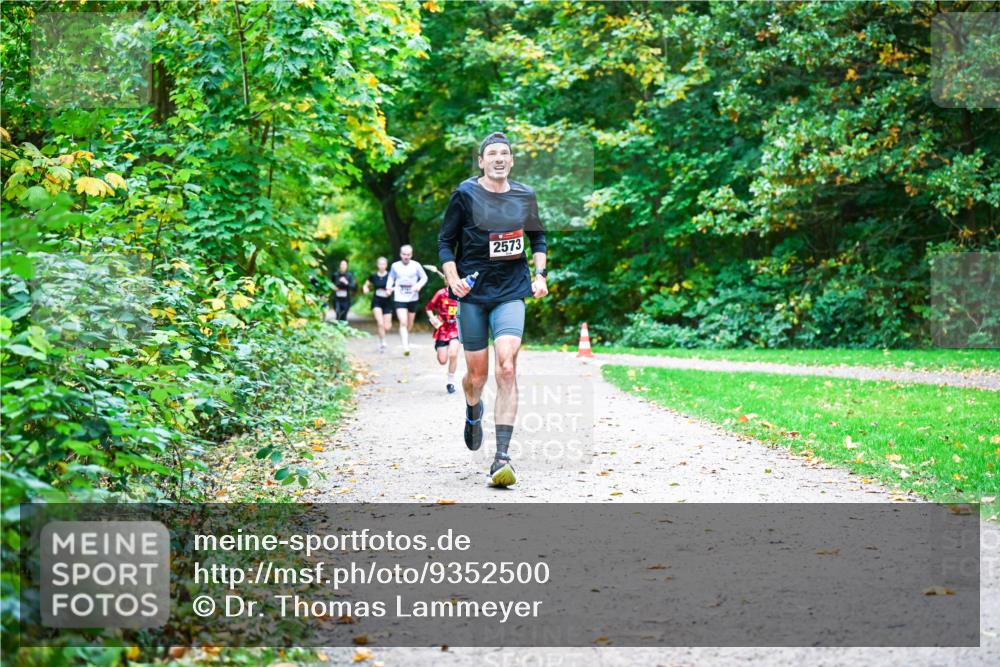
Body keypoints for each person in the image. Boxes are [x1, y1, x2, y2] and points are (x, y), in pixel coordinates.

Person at [438, 131, 548, 487]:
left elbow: (538, 238)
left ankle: (502, 456)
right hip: (473, 294)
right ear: (482, 161)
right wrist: (452, 277)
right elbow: (445, 243)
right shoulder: (465, 194)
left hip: (511, 291)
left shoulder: (524, 195)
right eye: (492, 154)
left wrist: (541, 274)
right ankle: (473, 410)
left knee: (506, 366)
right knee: (476, 377)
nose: (499, 158)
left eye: (505, 153)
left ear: (511, 161)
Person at [385, 244, 428, 356]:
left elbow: (424, 277)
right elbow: (391, 278)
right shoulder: (395, 266)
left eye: (408, 254)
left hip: (413, 297)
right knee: (403, 322)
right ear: (400, 254)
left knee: (409, 324)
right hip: (399, 297)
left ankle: (406, 338)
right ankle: (405, 346)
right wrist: (388, 287)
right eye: (404, 254)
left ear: (411, 254)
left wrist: (419, 285)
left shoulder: (416, 265)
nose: (406, 256)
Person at [425, 286, 461, 393]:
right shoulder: (441, 293)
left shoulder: (462, 294)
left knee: (453, 354)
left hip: (456, 328)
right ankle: (439, 347)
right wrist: (433, 318)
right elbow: (428, 307)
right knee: (442, 360)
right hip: (443, 329)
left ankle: (451, 381)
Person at [362, 256, 393, 352]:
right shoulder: (373, 276)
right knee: (380, 323)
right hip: (377, 301)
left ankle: (383, 336)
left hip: (387, 302)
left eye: (384, 264)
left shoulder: (390, 276)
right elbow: (366, 284)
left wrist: (390, 291)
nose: (382, 266)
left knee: (387, 326)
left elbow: (395, 286)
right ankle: (382, 342)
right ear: (377, 265)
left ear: (386, 265)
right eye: (380, 264)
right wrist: (365, 289)